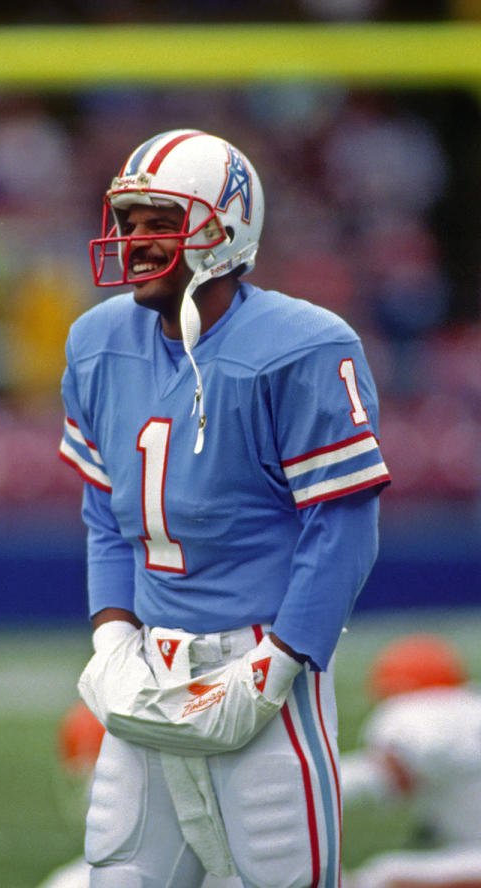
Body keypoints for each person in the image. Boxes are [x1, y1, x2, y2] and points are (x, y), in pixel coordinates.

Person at [57, 129, 391, 888]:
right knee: (119, 873)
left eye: (158, 223)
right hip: (148, 665)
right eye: (128, 221)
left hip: (258, 663)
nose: (134, 241)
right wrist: (111, 634)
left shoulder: (300, 345)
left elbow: (342, 525)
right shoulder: (97, 341)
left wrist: (282, 660)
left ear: (222, 226)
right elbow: (105, 511)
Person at [340, 634, 481, 888]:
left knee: (385, 877)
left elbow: (388, 776)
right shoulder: (469, 707)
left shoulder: (416, 718)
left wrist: (313, 788)